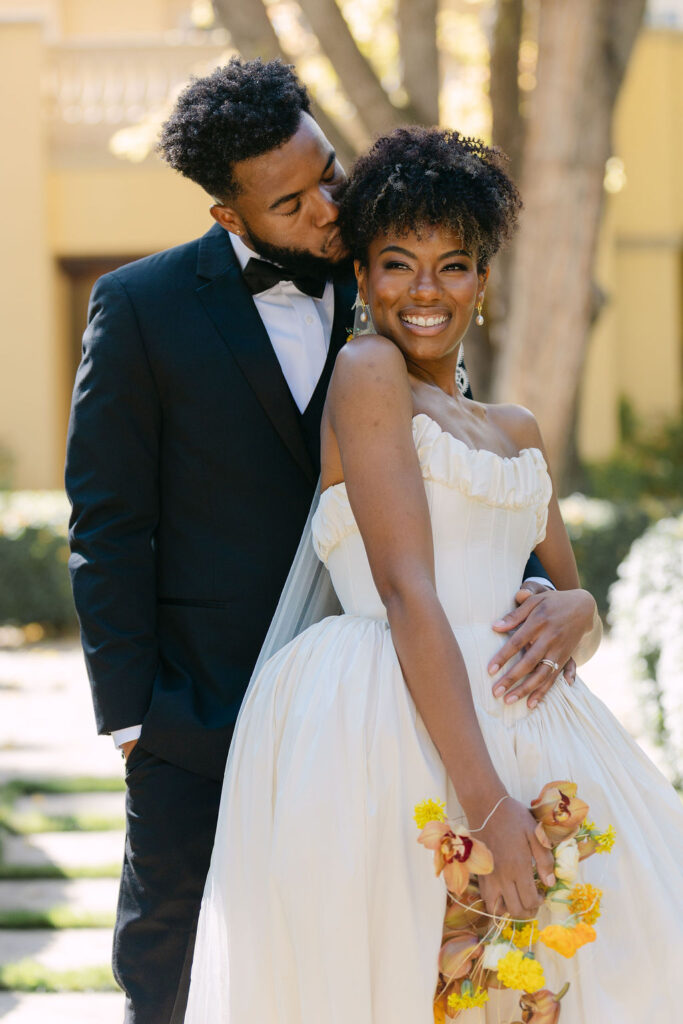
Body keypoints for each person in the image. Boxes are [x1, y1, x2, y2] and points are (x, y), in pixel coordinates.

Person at [65, 60, 590, 1024]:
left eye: (329, 174)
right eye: (292, 203)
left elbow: (458, 482)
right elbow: (107, 524)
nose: (327, 210)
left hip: (385, 703)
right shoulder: (140, 307)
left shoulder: (393, 280)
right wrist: (135, 722)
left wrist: (559, 592)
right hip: (204, 703)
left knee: (365, 960)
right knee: (176, 958)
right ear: (231, 217)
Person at [184, 126, 683, 1023]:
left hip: (538, 728)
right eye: (396, 264)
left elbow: (576, 608)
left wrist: (575, 607)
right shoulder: (368, 373)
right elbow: (409, 589)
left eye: (452, 266)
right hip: (385, 725)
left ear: (481, 283)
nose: (424, 291)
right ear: (364, 279)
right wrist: (488, 805)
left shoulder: (518, 429)